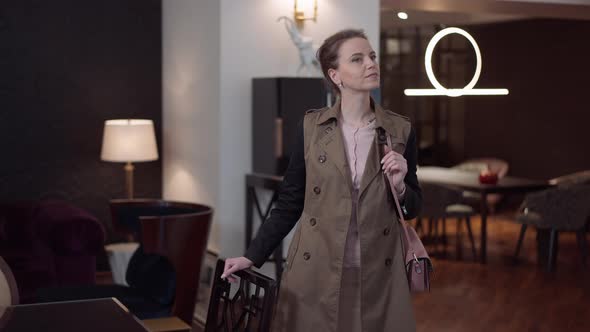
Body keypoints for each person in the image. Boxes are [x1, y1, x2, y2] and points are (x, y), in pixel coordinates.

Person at [222, 29, 422, 332]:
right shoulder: (311, 127)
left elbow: (414, 205)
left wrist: (400, 186)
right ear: (335, 74)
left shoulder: (399, 129)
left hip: (379, 272)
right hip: (317, 268)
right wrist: (252, 255)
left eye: (372, 56)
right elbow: (289, 202)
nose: (370, 63)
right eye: (357, 59)